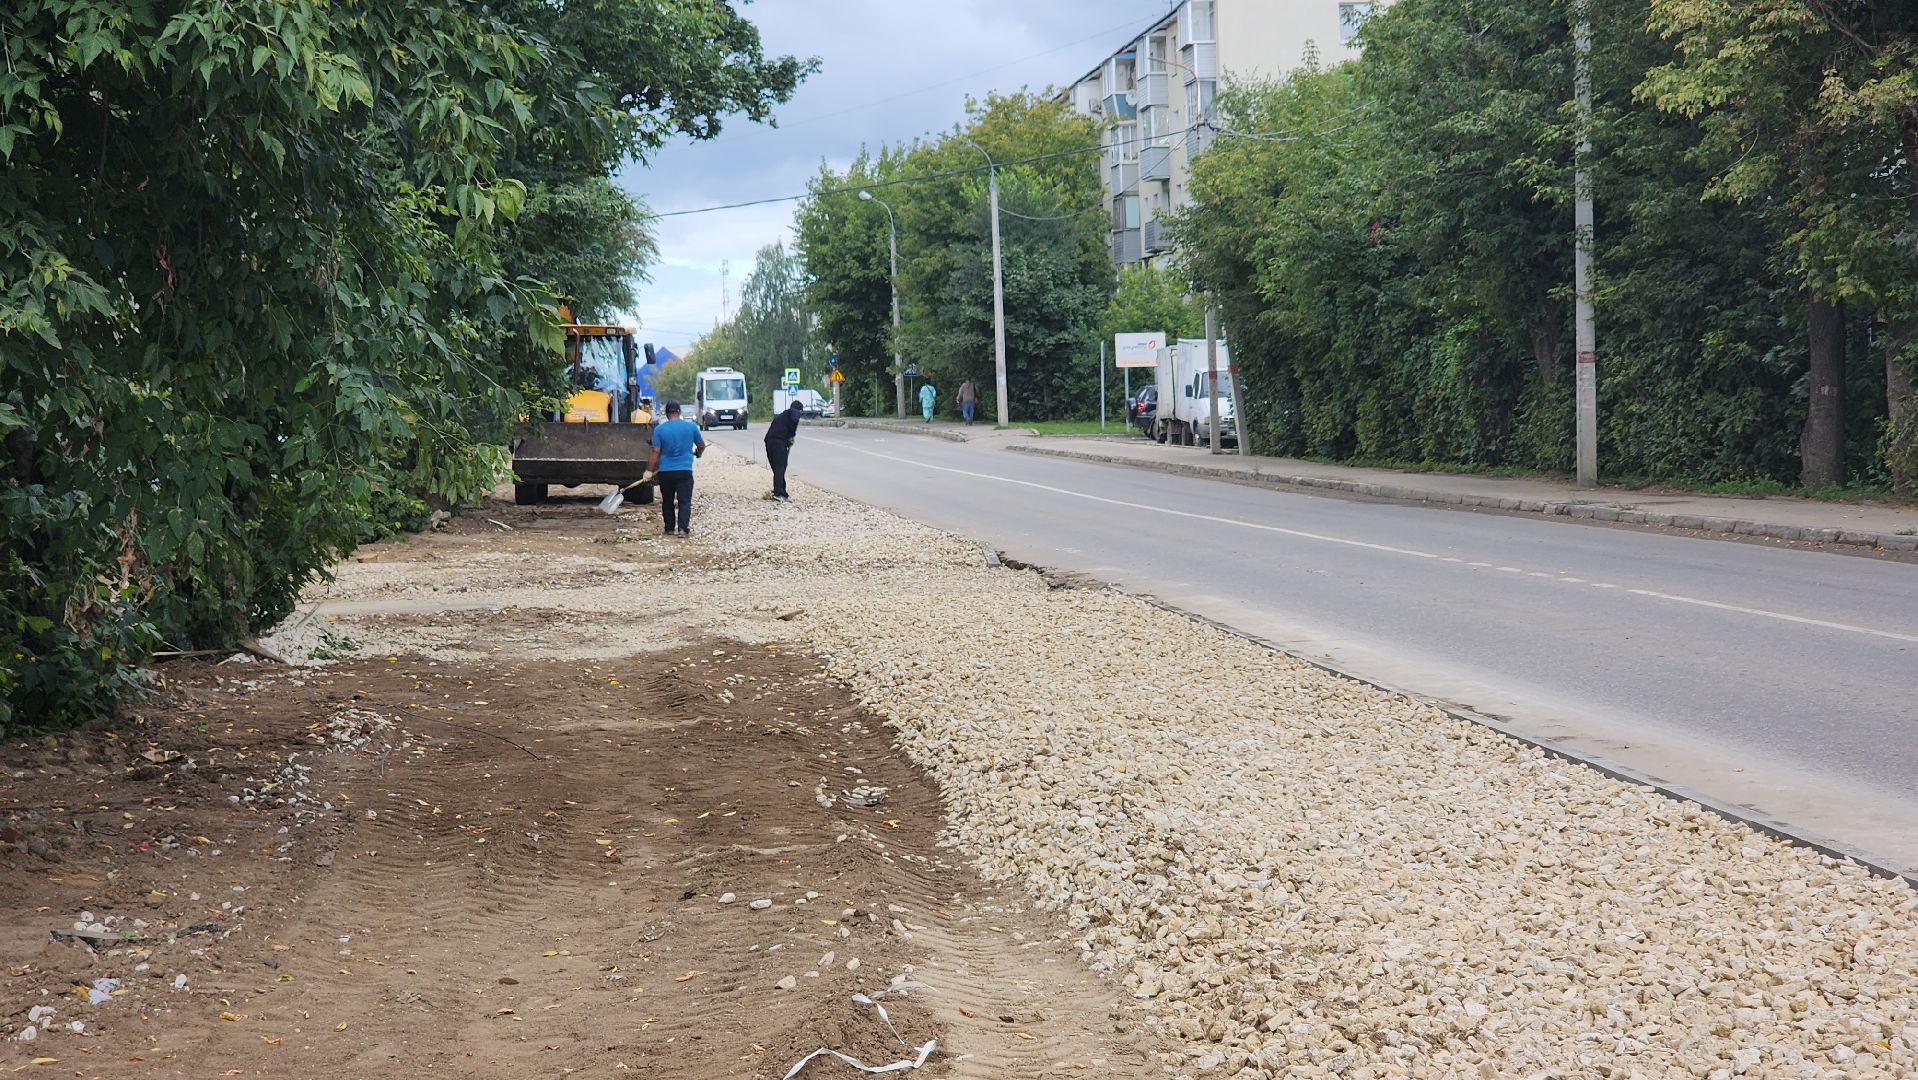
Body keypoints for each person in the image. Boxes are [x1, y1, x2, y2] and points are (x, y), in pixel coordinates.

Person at [646, 400, 705, 537]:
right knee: (684, 501)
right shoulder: (691, 427)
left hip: (666, 472)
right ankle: (683, 529)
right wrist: (698, 453)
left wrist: (649, 470)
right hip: (685, 471)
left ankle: (669, 528)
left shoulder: (660, 430)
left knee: (667, 501)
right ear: (679, 412)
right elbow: (701, 445)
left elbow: (655, 451)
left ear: (666, 414)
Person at [764, 399, 803, 501]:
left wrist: (790, 437)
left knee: (778, 468)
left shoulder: (782, 415)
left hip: (769, 441)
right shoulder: (793, 412)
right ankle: (778, 493)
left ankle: (782, 491)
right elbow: (794, 418)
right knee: (780, 467)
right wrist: (791, 436)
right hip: (778, 442)